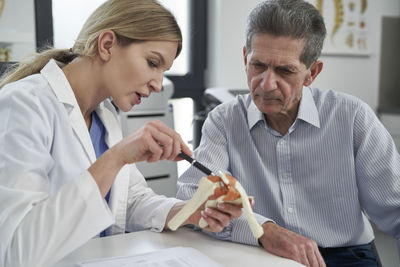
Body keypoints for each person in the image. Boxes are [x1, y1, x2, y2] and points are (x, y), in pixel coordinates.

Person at [0, 1, 243, 266]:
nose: (159, 85)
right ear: (107, 45)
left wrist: (189, 211)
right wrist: (117, 157)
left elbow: (129, 201)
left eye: (164, 71)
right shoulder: (24, 105)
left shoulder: (104, 115)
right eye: (152, 62)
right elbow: (16, 251)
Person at [177, 0, 400, 267]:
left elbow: (395, 211)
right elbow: (191, 199)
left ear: (312, 72)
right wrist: (263, 230)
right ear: (246, 58)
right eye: (258, 65)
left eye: (284, 70)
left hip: (344, 255)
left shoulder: (353, 118)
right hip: (258, 254)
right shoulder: (224, 121)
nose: (266, 84)